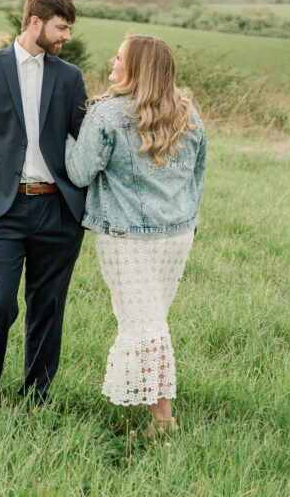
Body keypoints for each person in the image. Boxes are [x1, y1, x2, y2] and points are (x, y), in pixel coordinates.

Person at [65, 34, 206, 435]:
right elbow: (197, 174)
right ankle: (151, 407)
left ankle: (163, 423)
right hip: (177, 235)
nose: (112, 59)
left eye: (120, 56)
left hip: (127, 237)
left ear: (138, 69)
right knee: (150, 317)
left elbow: (78, 172)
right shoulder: (188, 115)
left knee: (144, 324)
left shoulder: (106, 115)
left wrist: (64, 138)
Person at [0, 0, 88, 404]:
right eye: (61, 27)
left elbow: (85, 142)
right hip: (0, 208)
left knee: (47, 308)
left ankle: (37, 396)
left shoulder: (70, 77)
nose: (66, 36)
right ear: (36, 22)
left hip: (58, 210)